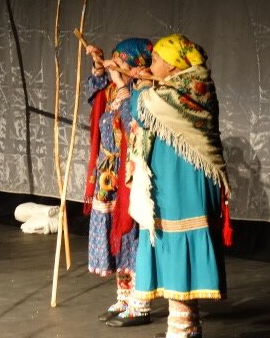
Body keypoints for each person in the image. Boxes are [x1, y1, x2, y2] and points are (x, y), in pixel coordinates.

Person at [128, 33, 231, 338]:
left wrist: (144, 87)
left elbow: (143, 111)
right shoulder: (173, 87)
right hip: (174, 179)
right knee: (172, 245)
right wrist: (148, 84)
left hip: (187, 180)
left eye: (157, 59)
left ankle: (183, 328)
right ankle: (186, 326)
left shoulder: (190, 87)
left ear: (174, 65)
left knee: (179, 243)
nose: (152, 63)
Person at [83, 37, 154, 328]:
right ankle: (123, 297)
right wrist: (99, 71)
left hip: (131, 176)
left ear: (136, 64)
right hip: (109, 173)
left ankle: (140, 303)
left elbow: (131, 122)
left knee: (131, 237)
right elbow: (95, 98)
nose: (116, 66)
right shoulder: (115, 89)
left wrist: (121, 84)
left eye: (120, 61)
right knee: (115, 236)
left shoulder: (144, 92)